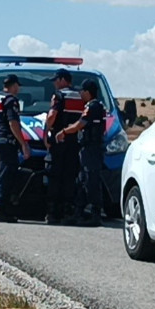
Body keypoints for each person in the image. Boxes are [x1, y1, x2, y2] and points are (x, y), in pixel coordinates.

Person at [56, 79, 107, 227]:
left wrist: (64, 131)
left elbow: (81, 124)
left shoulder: (93, 106)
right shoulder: (93, 106)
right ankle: (79, 213)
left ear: (88, 92)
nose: (80, 94)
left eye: (82, 91)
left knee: (91, 181)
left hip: (92, 149)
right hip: (87, 149)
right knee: (82, 180)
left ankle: (95, 214)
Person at [0, 74, 32, 223]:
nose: (18, 88)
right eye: (18, 85)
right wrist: (23, 144)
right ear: (13, 85)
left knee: (0, 177)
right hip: (6, 142)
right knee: (6, 178)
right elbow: (13, 123)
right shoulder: (11, 100)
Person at [43, 68, 84, 225]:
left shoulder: (59, 96)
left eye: (55, 80)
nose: (54, 83)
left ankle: (53, 213)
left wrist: (46, 131)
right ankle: (68, 211)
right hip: (74, 142)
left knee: (55, 176)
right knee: (70, 177)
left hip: (59, 141)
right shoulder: (80, 96)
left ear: (62, 79)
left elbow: (52, 115)